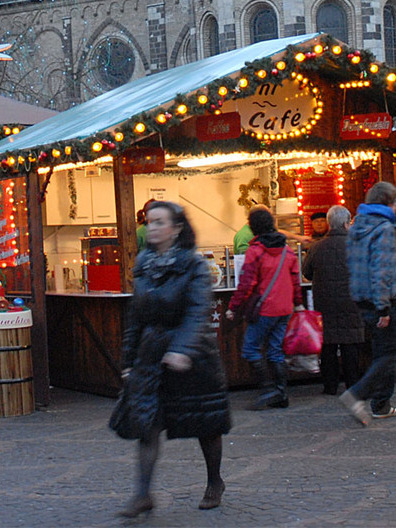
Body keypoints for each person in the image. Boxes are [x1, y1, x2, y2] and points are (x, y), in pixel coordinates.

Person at [110, 201, 230, 517]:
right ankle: (142, 494)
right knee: (147, 423)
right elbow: (136, 317)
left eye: (159, 222)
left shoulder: (193, 265)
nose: (152, 227)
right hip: (152, 356)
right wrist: (127, 361)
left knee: (206, 422)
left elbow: (197, 311)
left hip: (193, 357)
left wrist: (182, 349)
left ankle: (214, 481)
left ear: (176, 228)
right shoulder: (144, 264)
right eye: (149, 222)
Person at [340, 181, 396, 424]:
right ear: (389, 203)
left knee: (382, 351)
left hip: (360, 297)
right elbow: (381, 269)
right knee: (389, 353)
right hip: (381, 299)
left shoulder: (357, 226)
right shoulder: (385, 227)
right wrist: (384, 307)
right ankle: (357, 395)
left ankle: (382, 403)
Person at [224, 205, 297, 409]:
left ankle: (269, 390)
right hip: (285, 308)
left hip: (265, 309)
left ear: (253, 226)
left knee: (250, 349)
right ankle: (281, 394)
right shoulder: (287, 250)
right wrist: (298, 304)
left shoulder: (255, 251)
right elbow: (295, 280)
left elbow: (246, 283)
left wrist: (233, 307)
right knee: (275, 351)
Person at [302, 205, 363, 395]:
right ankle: (353, 384)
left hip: (325, 301)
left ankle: (330, 385)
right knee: (350, 342)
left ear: (329, 224)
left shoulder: (316, 247)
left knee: (328, 344)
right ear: (346, 224)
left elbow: (307, 273)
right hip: (351, 300)